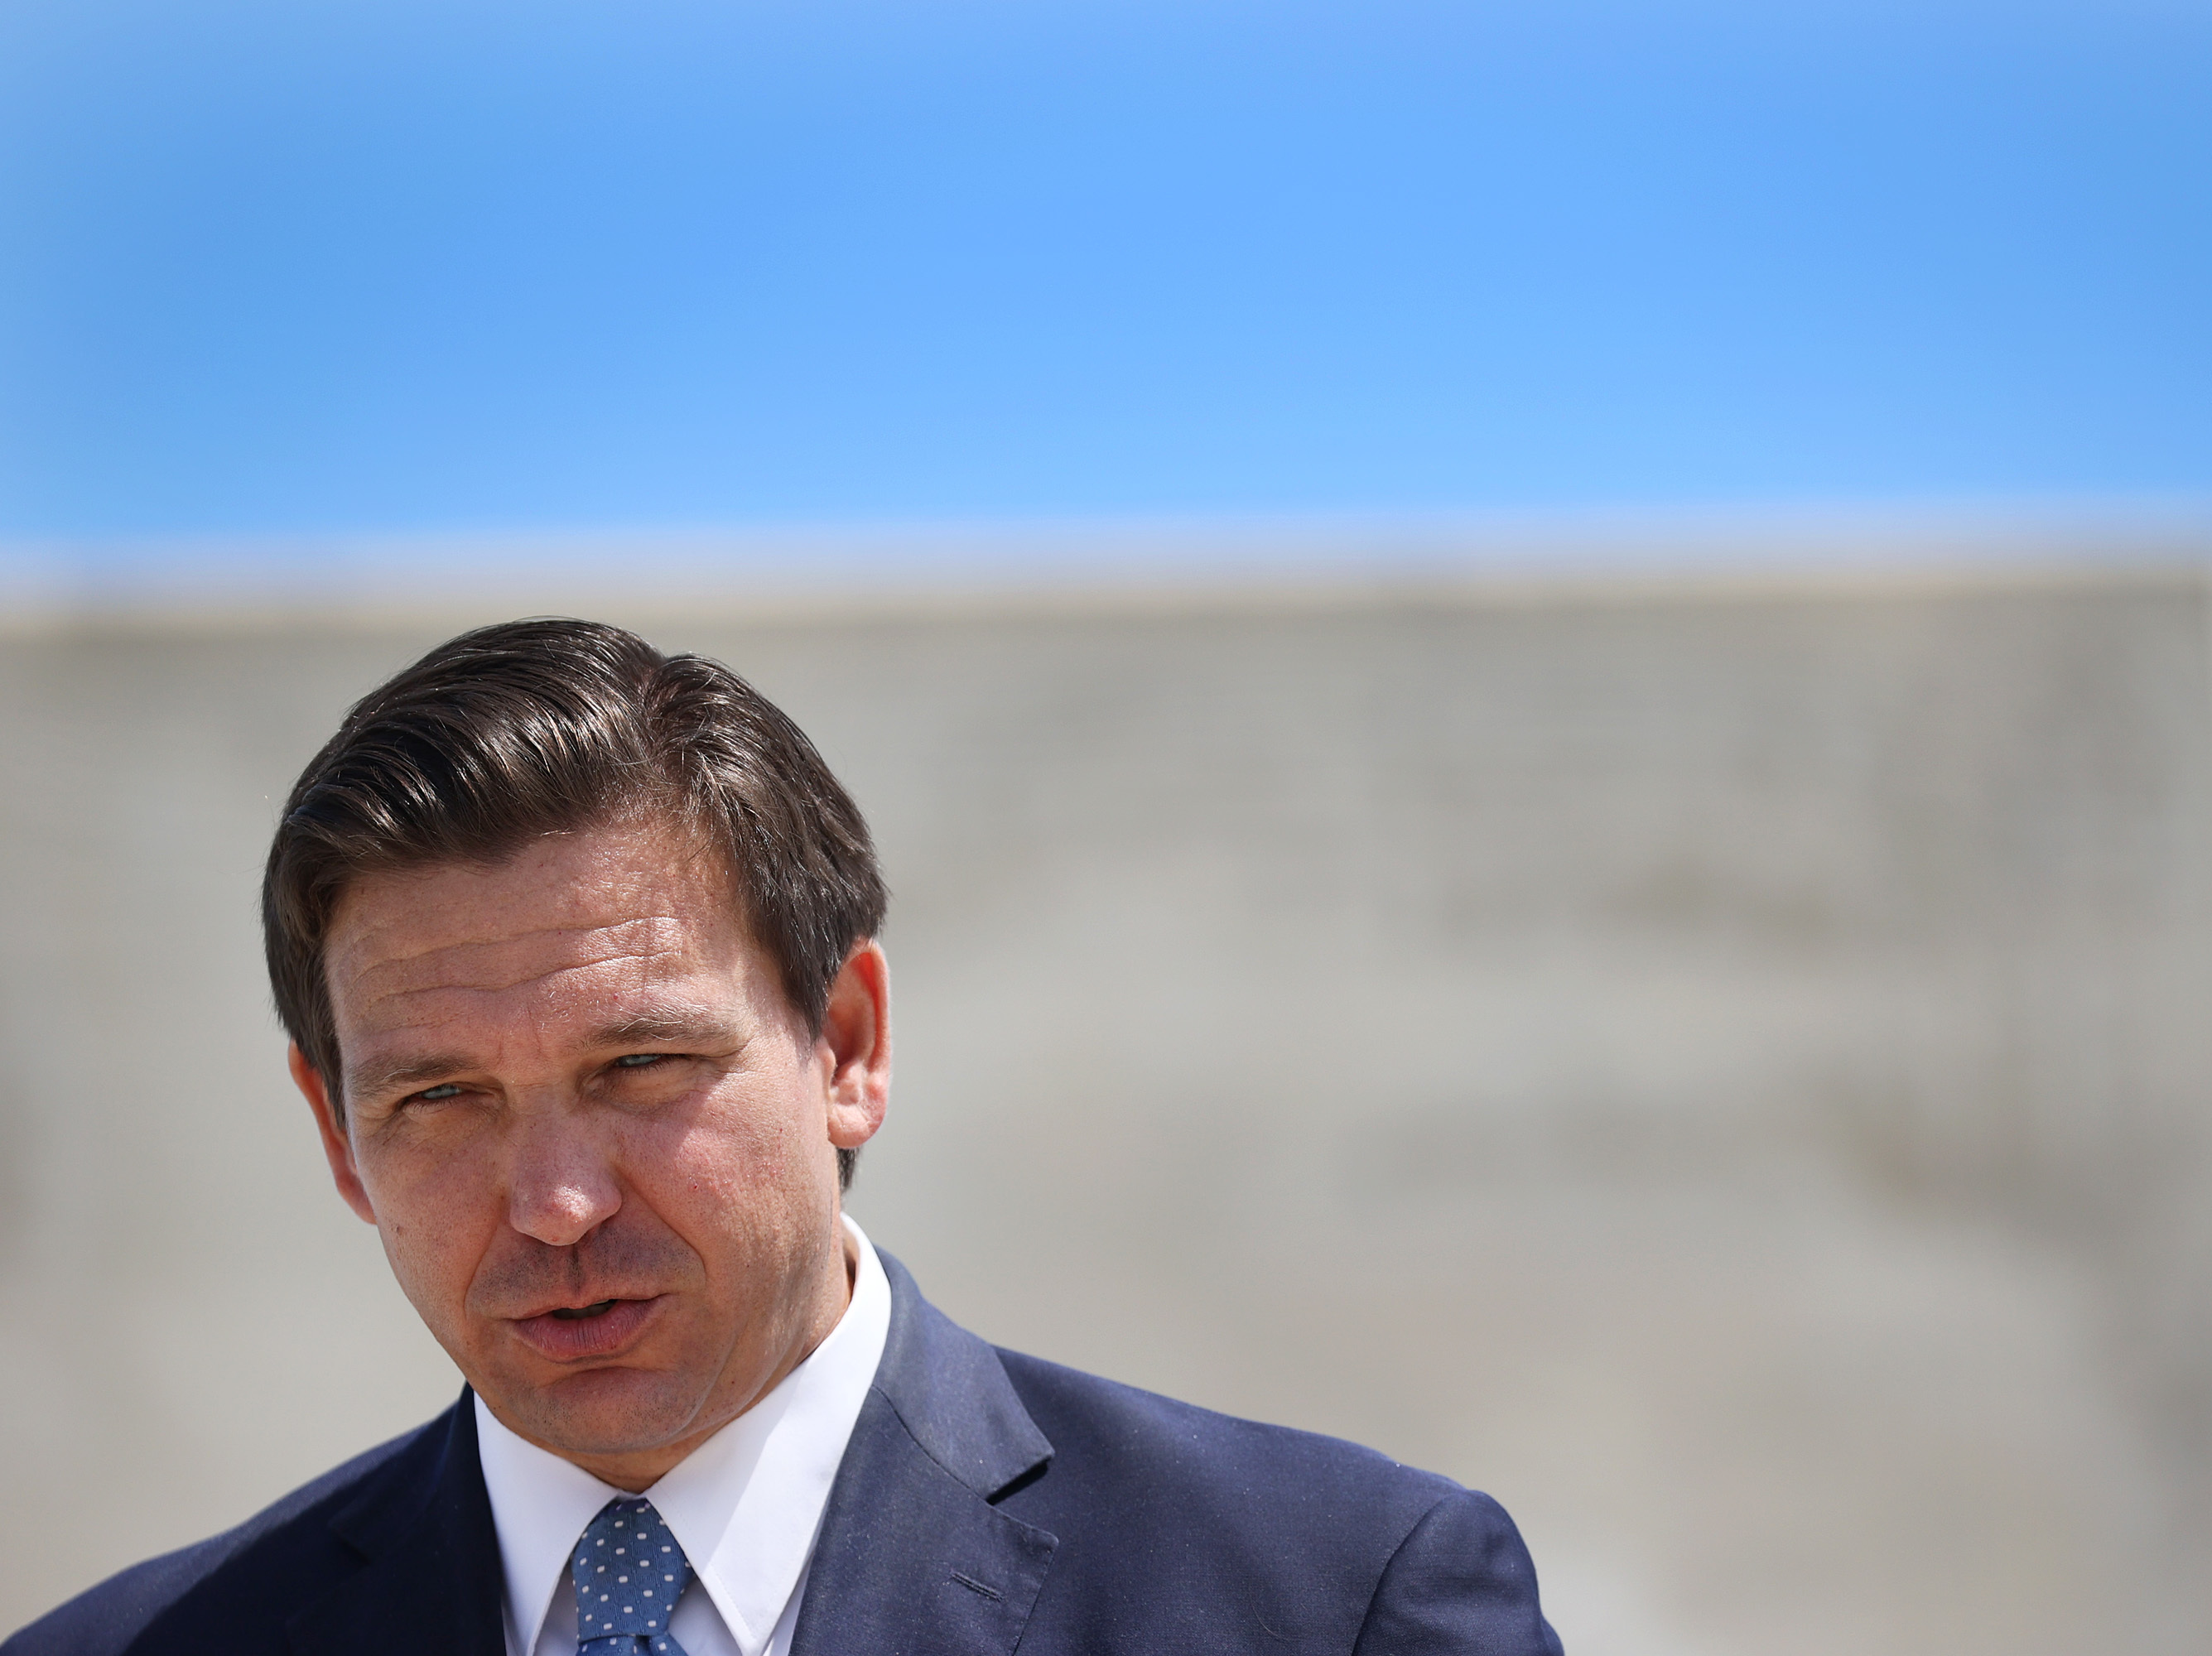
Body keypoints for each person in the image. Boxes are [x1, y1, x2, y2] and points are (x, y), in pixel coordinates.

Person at [5, 619, 1562, 1656]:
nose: (552, 1205)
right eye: (439, 1100)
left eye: (640, 1065)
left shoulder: (1332, 1607)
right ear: (337, 1138)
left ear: (851, 1048)